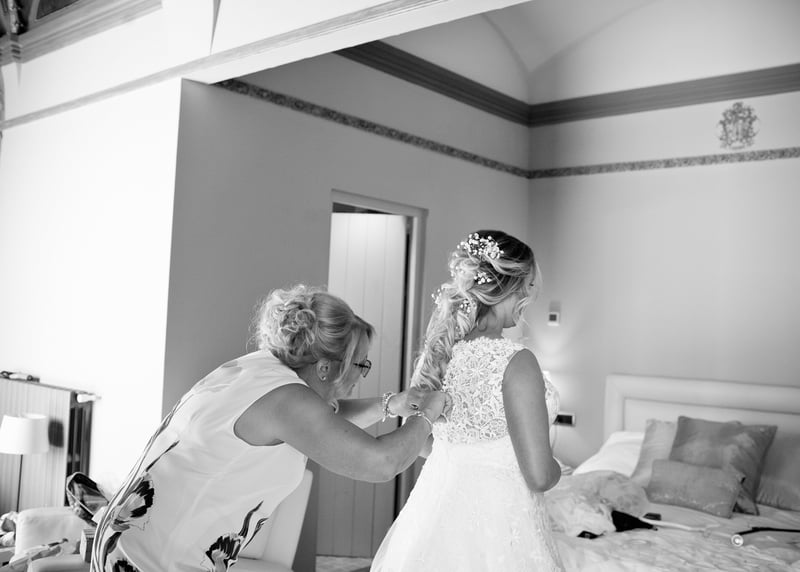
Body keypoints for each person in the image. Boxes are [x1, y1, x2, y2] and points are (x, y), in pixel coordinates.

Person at [91, 284, 445, 571]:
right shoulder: (288, 401)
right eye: (360, 364)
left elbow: (323, 422)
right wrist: (428, 413)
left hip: (123, 540)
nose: (361, 375)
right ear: (325, 367)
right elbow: (381, 463)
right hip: (153, 562)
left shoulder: (258, 370)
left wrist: (390, 405)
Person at [371, 230, 565, 572]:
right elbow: (538, 476)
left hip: (434, 516)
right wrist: (556, 469)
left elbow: (425, 444)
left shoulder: (441, 352)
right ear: (513, 287)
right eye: (528, 285)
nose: (529, 295)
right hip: (499, 526)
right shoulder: (516, 362)